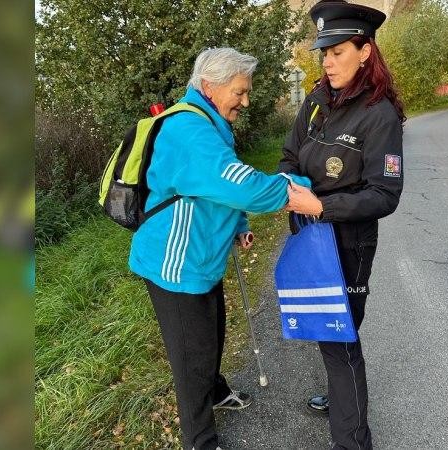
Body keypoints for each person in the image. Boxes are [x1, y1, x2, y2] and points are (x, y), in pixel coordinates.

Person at [129, 47, 311, 450]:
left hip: (203, 256)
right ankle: (200, 439)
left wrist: (240, 225)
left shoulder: (210, 124)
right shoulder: (189, 131)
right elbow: (238, 184)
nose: (245, 101)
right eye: (240, 91)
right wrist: (293, 191)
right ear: (209, 86)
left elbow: (214, 191)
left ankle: (215, 392)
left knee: (211, 333)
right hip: (175, 266)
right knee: (192, 357)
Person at [279, 1, 405, 448]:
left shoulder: (380, 114)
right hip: (309, 235)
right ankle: (342, 398)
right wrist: (289, 184)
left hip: (348, 242)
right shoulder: (317, 101)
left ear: (365, 50)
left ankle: (353, 440)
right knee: (326, 330)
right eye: (324, 52)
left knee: (342, 338)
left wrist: (321, 207)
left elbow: (385, 194)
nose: (328, 61)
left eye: (337, 51)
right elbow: (290, 155)